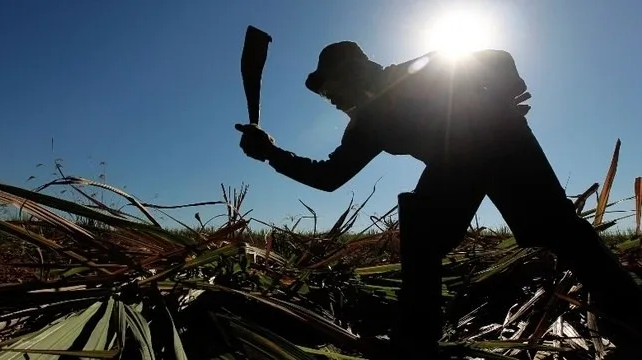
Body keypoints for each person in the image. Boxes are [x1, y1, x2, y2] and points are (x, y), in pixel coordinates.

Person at [235, 41, 642, 354]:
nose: (332, 99)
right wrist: (271, 152)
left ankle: (628, 311)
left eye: (331, 89)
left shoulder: (416, 71)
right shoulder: (367, 123)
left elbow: (495, 56)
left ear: (353, 72)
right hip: (469, 154)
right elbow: (330, 176)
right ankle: (416, 338)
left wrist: (505, 88)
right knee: (428, 226)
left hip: (499, 139)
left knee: (556, 229)